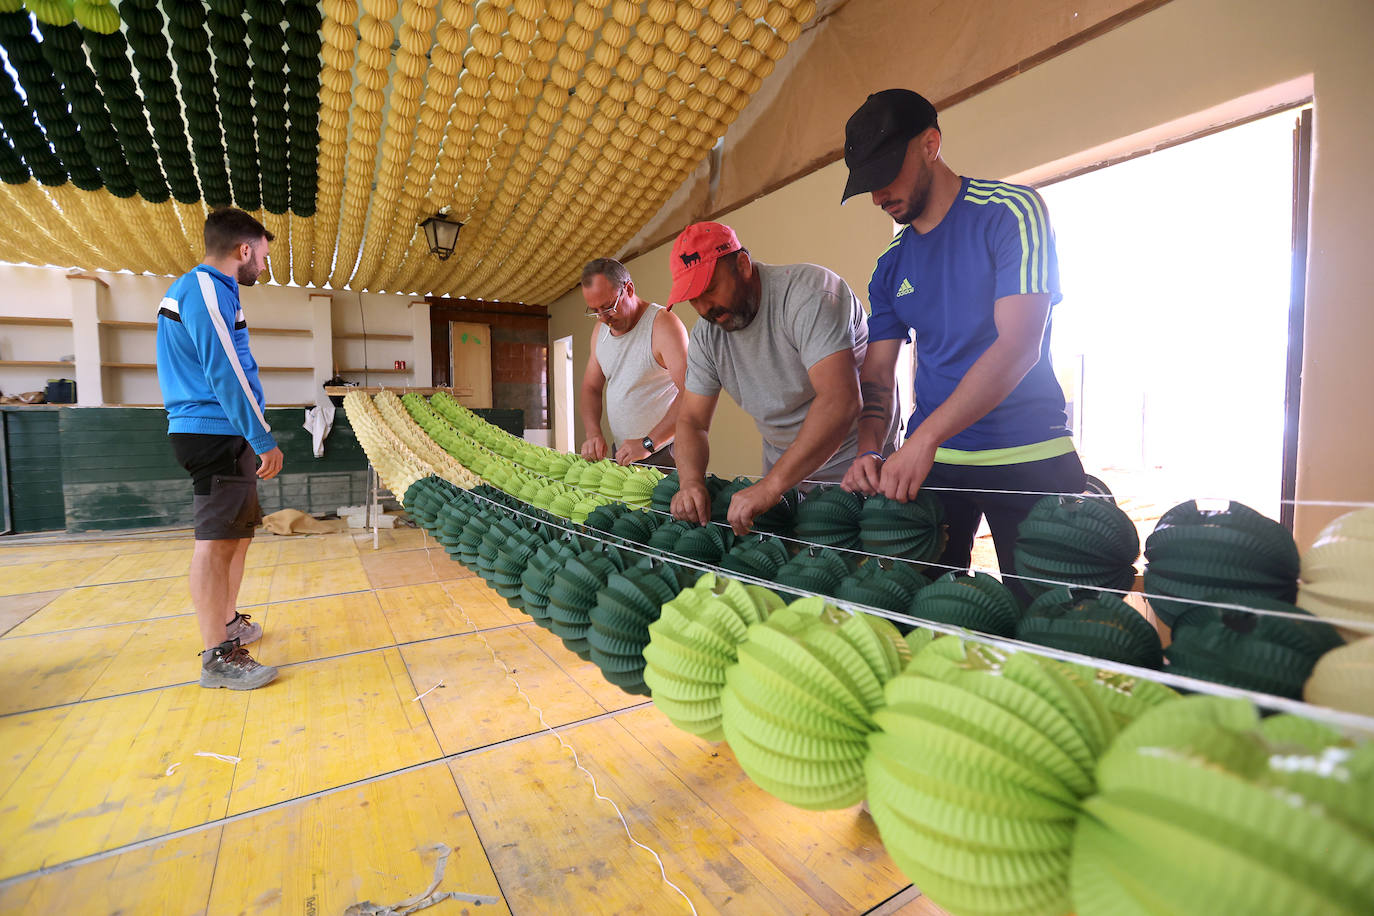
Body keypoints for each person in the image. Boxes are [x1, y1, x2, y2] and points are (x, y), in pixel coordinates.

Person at [839, 88, 1086, 601]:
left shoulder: (1011, 212)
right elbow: (879, 375)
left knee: (1055, 625)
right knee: (926, 615)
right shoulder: (889, 266)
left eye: (887, 172)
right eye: (868, 184)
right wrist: (869, 447)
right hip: (935, 466)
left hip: (1029, 451)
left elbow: (1019, 345)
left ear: (930, 144)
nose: (878, 194)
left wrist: (923, 438)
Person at [667, 221, 877, 535]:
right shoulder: (706, 337)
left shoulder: (809, 294)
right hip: (782, 473)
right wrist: (691, 482)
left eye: (709, 290)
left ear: (742, 265)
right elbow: (691, 421)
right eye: (692, 299)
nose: (704, 307)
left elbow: (840, 401)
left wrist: (770, 486)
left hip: (853, 466)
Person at [157, 207, 284, 690]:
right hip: (213, 431)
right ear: (243, 249)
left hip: (223, 429)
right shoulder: (207, 288)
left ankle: (227, 621)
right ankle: (218, 655)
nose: (264, 266)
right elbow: (225, 370)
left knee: (238, 534)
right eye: (264, 256)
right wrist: (262, 437)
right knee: (214, 543)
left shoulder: (216, 292)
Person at [578, 258, 688, 468]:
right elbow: (591, 388)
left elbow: (692, 392)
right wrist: (593, 433)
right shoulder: (600, 330)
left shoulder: (663, 325)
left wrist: (648, 443)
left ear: (628, 289)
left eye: (608, 307)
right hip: (623, 453)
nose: (603, 318)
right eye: (595, 310)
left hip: (665, 452)